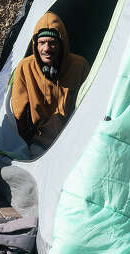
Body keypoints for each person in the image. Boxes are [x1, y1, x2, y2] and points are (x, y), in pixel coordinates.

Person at [11, 12, 91, 157]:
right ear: (36, 45)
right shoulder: (25, 67)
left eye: (52, 43)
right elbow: (18, 113)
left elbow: (91, 105)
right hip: (41, 145)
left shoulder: (80, 66)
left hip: (75, 141)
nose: (46, 48)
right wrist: (28, 141)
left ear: (62, 44)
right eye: (42, 43)